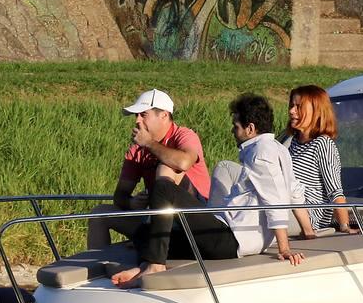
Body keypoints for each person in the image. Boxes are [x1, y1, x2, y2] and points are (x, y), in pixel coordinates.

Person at [111, 93, 303, 288]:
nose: (232, 130)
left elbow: (275, 198)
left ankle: (155, 266)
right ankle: (147, 264)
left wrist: (284, 247)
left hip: (231, 239)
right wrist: (309, 232)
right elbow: (294, 191)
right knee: (145, 235)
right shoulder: (277, 148)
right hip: (230, 238)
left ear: (250, 128)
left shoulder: (262, 152)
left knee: (163, 188)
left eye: (236, 126)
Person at [87, 88, 210, 252]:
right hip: (156, 219)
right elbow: (120, 195)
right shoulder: (136, 151)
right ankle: (96, 270)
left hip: (195, 219)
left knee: (166, 168)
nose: (137, 120)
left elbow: (183, 163)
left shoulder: (184, 135)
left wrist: (149, 144)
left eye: (143, 114)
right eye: (135, 115)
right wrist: (131, 202)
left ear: (164, 115)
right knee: (99, 214)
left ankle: (155, 254)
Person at [283, 84, 353, 236]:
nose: (291, 111)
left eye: (298, 107)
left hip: (308, 219)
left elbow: (335, 191)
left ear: (316, 111)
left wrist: (344, 227)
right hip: (287, 208)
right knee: (226, 167)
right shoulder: (293, 142)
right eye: (292, 106)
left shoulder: (323, 144)